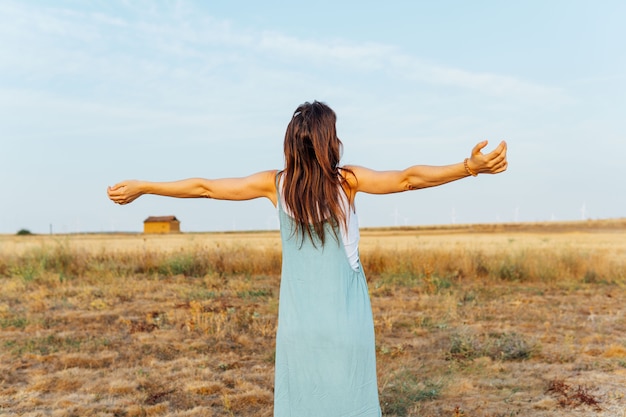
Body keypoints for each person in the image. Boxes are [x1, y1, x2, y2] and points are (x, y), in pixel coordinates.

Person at [107, 100, 508, 416]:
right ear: (327, 142)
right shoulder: (346, 182)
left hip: (298, 330)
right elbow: (407, 179)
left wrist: (146, 186)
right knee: (349, 404)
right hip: (346, 325)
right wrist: (468, 167)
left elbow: (205, 188)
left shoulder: (275, 185)